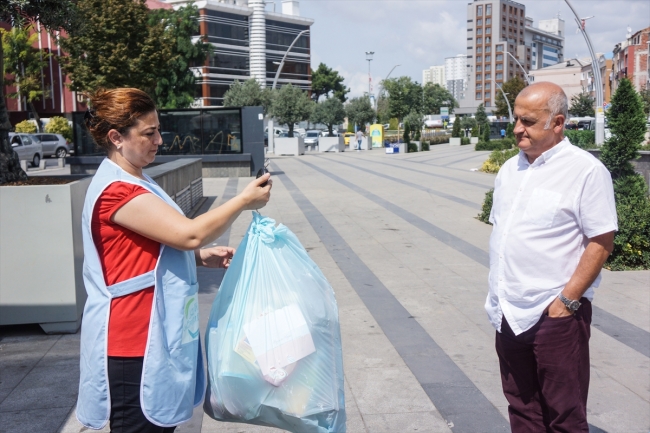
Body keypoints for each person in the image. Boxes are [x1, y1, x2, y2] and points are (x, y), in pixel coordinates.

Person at [76, 88, 271, 433]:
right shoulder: (117, 191)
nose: (159, 140)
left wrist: (197, 257)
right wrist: (243, 201)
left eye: (158, 130)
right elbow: (188, 233)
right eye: (149, 133)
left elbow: (149, 246)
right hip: (134, 340)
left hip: (152, 333)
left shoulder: (136, 179)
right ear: (116, 137)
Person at [485, 82, 617, 432]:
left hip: (555, 316)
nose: (517, 128)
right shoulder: (509, 171)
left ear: (557, 123)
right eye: (516, 119)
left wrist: (567, 301)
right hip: (508, 313)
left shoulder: (585, 171)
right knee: (522, 409)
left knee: (564, 415)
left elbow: (602, 241)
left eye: (527, 121)